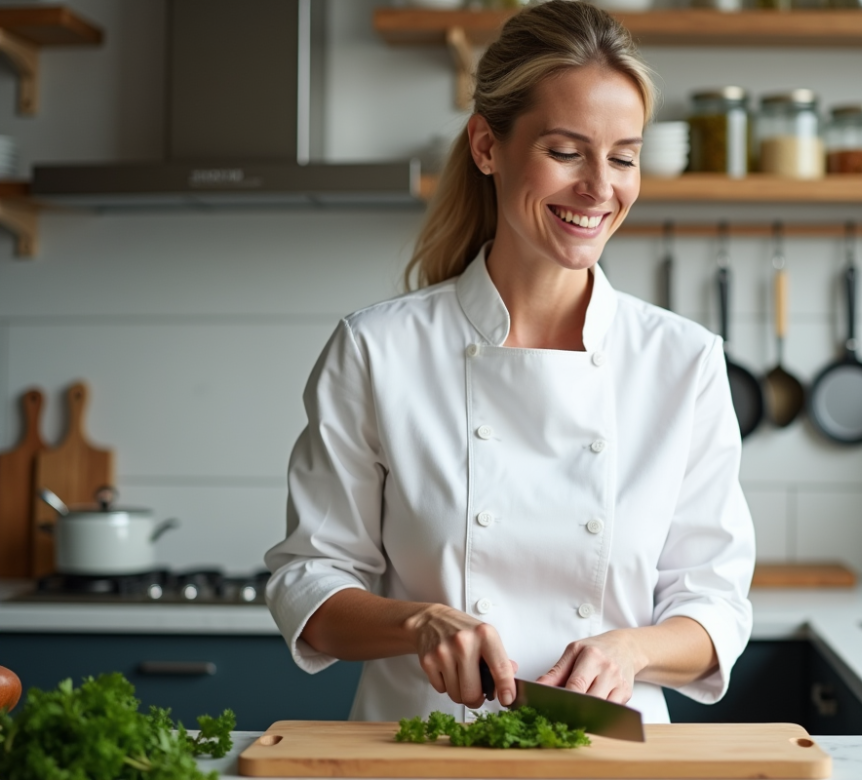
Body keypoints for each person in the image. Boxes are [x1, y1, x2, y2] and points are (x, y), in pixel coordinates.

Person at [265, 0, 754, 724]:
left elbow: (714, 605)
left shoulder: (682, 363)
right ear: (487, 147)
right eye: (565, 152)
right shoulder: (378, 350)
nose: (599, 187)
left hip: (609, 759)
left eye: (623, 156)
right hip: (422, 752)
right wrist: (418, 624)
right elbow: (311, 579)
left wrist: (630, 651)